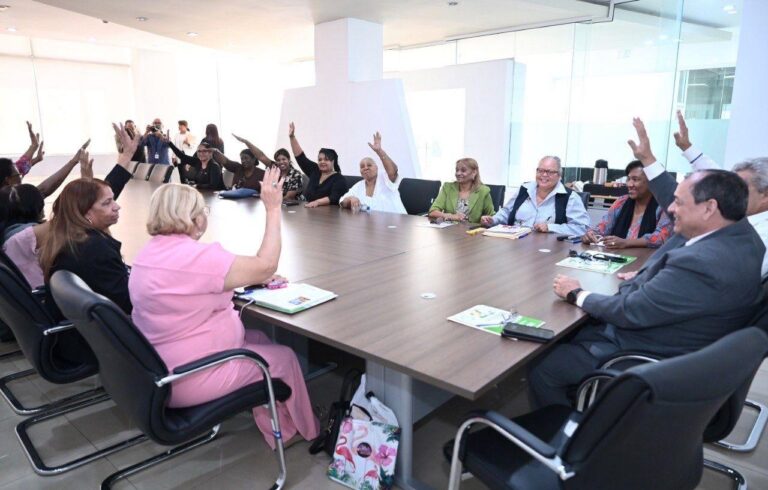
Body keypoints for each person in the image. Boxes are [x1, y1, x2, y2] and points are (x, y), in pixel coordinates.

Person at [529, 118, 765, 408]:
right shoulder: (744, 237)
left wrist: (577, 293)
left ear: (709, 208)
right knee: (564, 331)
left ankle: (573, 430)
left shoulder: (701, 262)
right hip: (677, 338)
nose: (671, 209)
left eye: (679, 203)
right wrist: (648, 159)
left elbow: (630, 311)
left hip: (645, 352)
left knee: (543, 365)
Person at [129, 169, 319, 449]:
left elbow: (193, 284)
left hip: (159, 365)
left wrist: (249, 276)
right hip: (190, 376)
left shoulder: (148, 254)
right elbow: (266, 265)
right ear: (194, 218)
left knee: (260, 338)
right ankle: (302, 430)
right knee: (285, 358)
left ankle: (277, 420)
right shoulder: (197, 258)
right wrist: (272, 208)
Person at [39, 123, 140, 319]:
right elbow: (130, 304)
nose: (117, 206)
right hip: (101, 334)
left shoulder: (66, 235)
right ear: (85, 213)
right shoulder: (95, 250)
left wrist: (126, 156)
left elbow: (99, 195)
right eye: (107, 203)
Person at [674, 110, 768, 277]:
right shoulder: (746, 219)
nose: (731, 192)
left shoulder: (761, 235)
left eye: (739, 187)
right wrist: (687, 148)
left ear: (765, 195)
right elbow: (719, 176)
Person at [481, 156, 590, 235]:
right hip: (515, 244)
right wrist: (493, 220)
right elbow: (506, 212)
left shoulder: (570, 197)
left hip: (548, 249)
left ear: (559, 175)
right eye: (540, 171)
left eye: (549, 172)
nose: (544, 175)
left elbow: (581, 228)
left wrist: (550, 227)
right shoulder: (524, 189)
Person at [581, 160, 672, 249]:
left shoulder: (664, 206)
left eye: (635, 179)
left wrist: (626, 243)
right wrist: (591, 234)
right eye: (628, 179)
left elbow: (661, 238)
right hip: (617, 256)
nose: (629, 184)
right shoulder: (622, 202)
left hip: (648, 258)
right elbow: (603, 227)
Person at [339, 132, 406, 214]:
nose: (365, 168)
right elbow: (342, 202)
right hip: (371, 220)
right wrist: (350, 199)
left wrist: (379, 151)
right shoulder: (359, 186)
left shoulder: (384, 177)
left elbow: (393, 171)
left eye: (369, 165)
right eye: (362, 166)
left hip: (397, 219)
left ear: (377, 168)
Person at [288, 122, 348, 207]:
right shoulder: (315, 170)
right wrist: (292, 137)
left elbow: (335, 197)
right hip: (308, 209)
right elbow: (301, 158)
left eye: (326, 159)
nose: (322, 162)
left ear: (333, 161)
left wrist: (317, 202)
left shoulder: (339, 179)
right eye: (320, 160)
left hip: (328, 213)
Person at [232, 134, 305, 199]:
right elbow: (261, 156)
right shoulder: (275, 168)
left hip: (294, 205)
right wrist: (246, 142)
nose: (281, 162)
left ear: (289, 159)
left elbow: (289, 197)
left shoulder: (296, 174)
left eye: (284, 159)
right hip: (276, 203)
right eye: (278, 160)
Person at [428, 158, 494, 224]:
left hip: (471, 230)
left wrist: (485, 220)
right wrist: (451, 216)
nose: (458, 173)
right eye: (457, 170)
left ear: (474, 172)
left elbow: (492, 217)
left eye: (463, 170)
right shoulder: (447, 187)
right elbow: (432, 212)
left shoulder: (483, 191)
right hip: (448, 228)